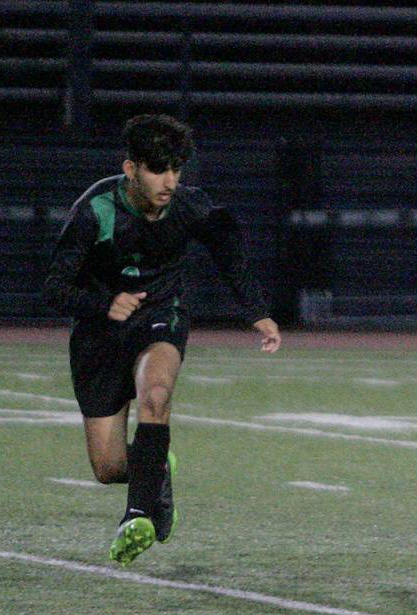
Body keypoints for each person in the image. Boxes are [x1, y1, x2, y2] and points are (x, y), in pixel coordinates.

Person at [44, 114, 281, 566]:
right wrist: (103, 304)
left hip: (160, 315)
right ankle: (156, 474)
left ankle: (137, 516)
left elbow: (227, 248)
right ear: (131, 168)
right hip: (100, 334)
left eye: (176, 169)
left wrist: (257, 311)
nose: (169, 181)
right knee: (109, 468)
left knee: (156, 394)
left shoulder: (187, 206)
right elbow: (53, 288)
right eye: (158, 169)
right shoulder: (96, 210)